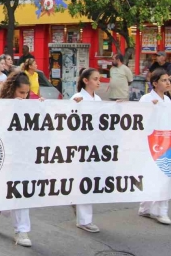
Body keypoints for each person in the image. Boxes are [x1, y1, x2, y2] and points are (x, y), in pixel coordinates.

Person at [0, 72, 40, 248]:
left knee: (22, 190)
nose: (24, 97)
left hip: (24, 154)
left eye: (26, 93)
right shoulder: (0, 106)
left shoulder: (30, 105)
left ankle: (21, 229)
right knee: (7, 189)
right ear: (11, 90)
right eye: (21, 93)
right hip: (5, 153)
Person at [138, 68, 171, 226]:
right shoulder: (146, 99)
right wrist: (150, 108)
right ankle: (147, 208)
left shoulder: (167, 100)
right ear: (155, 83)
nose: (168, 83)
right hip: (151, 144)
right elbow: (140, 119)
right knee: (152, 176)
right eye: (164, 80)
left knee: (165, 175)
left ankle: (159, 210)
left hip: (166, 144)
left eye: (168, 80)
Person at [70, 68, 102, 233]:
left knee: (89, 181)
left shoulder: (98, 99)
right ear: (85, 80)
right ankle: (84, 219)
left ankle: (79, 208)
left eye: (99, 79)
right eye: (95, 79)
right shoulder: (77, 98)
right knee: (85, 182)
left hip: (94, 146)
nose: (98, 82)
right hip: (80, 147)